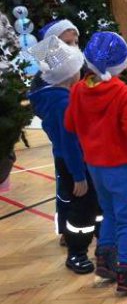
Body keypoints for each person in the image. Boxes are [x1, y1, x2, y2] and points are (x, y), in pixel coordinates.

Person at [64, 32, 127, 294]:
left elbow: (70, 124)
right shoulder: (122, 92)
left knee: (110, 212)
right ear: (121, 63)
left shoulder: (80, 88)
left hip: (94, 166)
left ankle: (104, 259)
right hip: (120, 165)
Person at [27, 36, 101, 274]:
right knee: (82, 210)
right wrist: (78, 175)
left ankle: (102, 240)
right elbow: (69, 141)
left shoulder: (55, 96)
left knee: (94, 205)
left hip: (78, 160)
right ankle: (77, 253)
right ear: (71, 76)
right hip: (75, 163)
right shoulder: (62, 104)